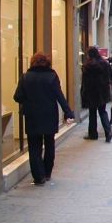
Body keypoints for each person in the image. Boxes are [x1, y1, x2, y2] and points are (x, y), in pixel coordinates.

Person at [14, 52, 74, 185]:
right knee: (49, 144)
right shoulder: (52, 76)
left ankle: (38, 176)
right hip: (49, 115)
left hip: (32, 116)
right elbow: (59, 95)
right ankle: (47, 172)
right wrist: (68, 112)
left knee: (34, 146)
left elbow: (17, 97)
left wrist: (29, 99)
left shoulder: (25, 77)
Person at [81, 47, 112, 142]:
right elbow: (110, 77)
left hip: (91, 92)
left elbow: (85, 82)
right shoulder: (105, 64)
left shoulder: (87, 66)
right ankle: (108, 132)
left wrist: (83, 92)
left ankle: (93, 134)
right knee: (103, 112)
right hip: (102, 92)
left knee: (92, 113)